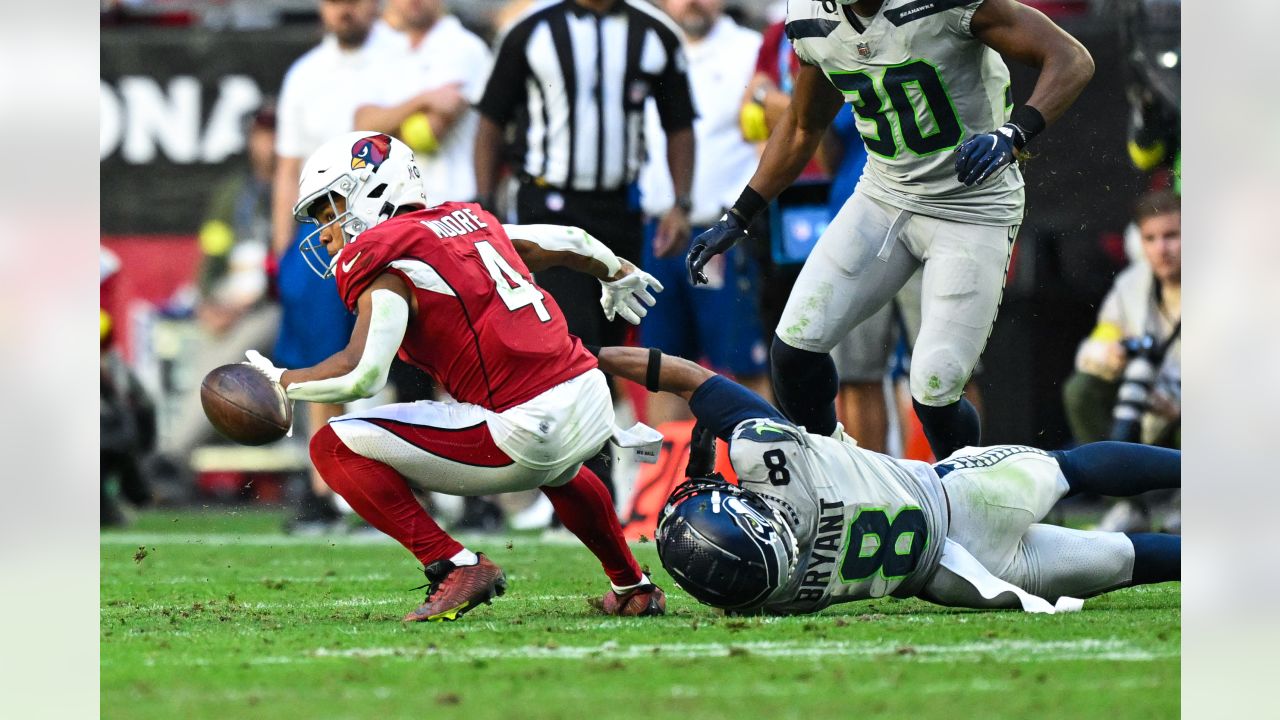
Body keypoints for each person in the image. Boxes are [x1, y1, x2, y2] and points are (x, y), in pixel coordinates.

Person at [242, 132, 667, 621]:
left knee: (332, 446)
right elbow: (570, 241)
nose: (323, 233)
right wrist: (615, 272)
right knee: (561, 469)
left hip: (527, 426)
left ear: (371, 190)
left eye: (328, 210)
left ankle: (453, 565)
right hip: (590, 398)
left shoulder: (386, 255)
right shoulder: (470, 222)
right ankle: (632, 583)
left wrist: (280, 383)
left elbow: (363, 374)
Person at [686, 0, 1095, 462]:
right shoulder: (810, 20)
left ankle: (966, 504)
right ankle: (834, 482)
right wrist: (738, 215)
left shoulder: (944, 6)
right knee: (795, 350)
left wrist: (1013, 133)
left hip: (972, 205)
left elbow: (1072, 58)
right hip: (884, 195)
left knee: (935, 390)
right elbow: (804, 126)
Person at [595, 345, 1180, 615]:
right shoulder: (770, 458)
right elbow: (690, 377)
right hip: (961, 497)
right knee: (1067, 469)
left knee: (1133, 560)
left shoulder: (772, 595)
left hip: (958, 582)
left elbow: (730, 568)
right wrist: (585, 358)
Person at [473, 0, 698, 495]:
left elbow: (679, 122)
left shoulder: (653, 32)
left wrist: (680, 202)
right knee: (573, 340)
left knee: (606, 346)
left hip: (619, 211)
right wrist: (486, 204)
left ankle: (611, 469)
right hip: (546, 208)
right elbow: (490, 121)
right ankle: (592, 485)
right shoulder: (531, 32)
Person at [272, 0, 405, 528]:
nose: (344, 10)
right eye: (334, 2)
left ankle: (423, 482)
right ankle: (325, 486)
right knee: (324, 353)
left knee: (410, 354)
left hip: (389, 220)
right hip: (321, 228)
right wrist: (284, 247)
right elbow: (288, 165)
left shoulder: (403, 60)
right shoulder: (305, 74)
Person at [636, 0, 770, 427]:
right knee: (658, 368)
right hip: (656, 229)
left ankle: (759, 477)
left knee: (745, 365)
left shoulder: (749, 51)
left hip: (726, 232)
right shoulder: (647, 46)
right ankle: (666, 485)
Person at [354, 0, 491, 206]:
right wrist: (424, 99)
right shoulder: (387, 53)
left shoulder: (463, 47)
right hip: (403, 204)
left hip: (455, 202)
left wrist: (381, 128)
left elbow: (428, 132)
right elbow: (361, 126)